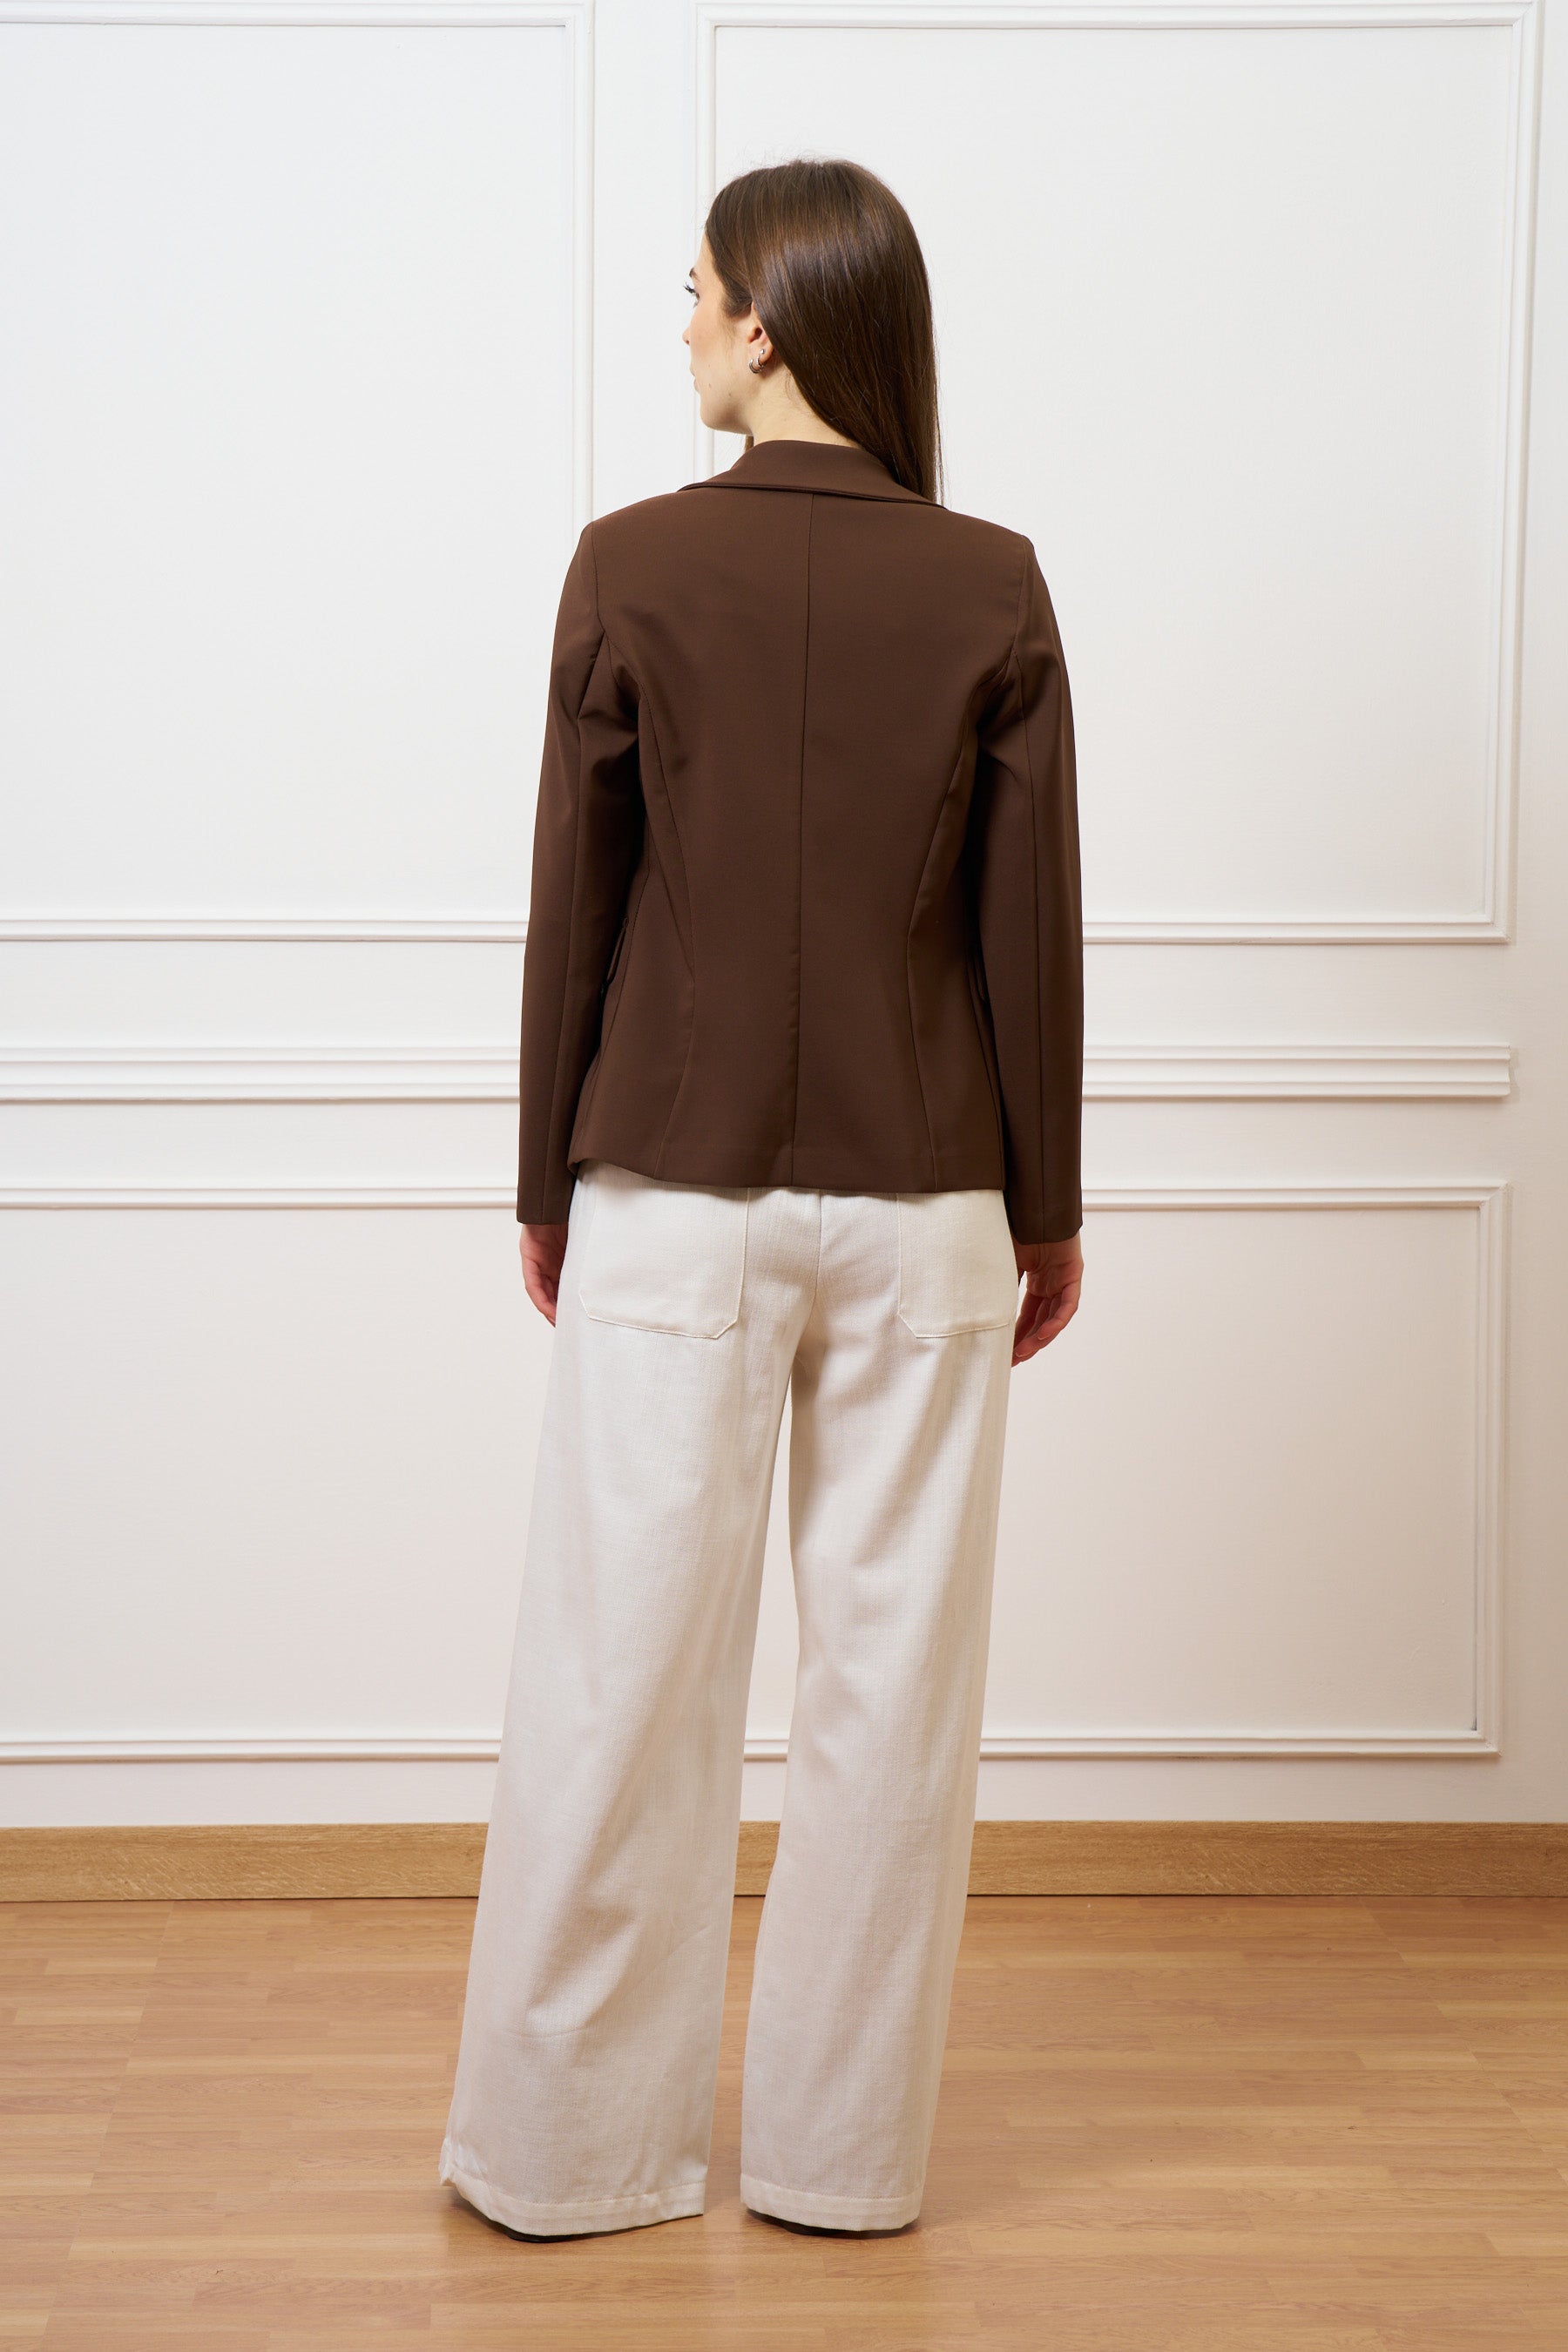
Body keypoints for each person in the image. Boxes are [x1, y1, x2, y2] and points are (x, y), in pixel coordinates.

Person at [439, 157, 1084, 2242]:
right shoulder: (994, 583)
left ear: (775, 320)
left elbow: (577, 909)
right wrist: (1047, 1209)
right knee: (894, 1699)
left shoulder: (628, 563)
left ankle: (564, 2164)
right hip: (931, 1199)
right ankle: (839, 2167)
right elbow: (1028, 937)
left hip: (669, 1183)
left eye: (702, 289)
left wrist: (546, 1177)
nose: (687, 321)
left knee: (618, 1678)